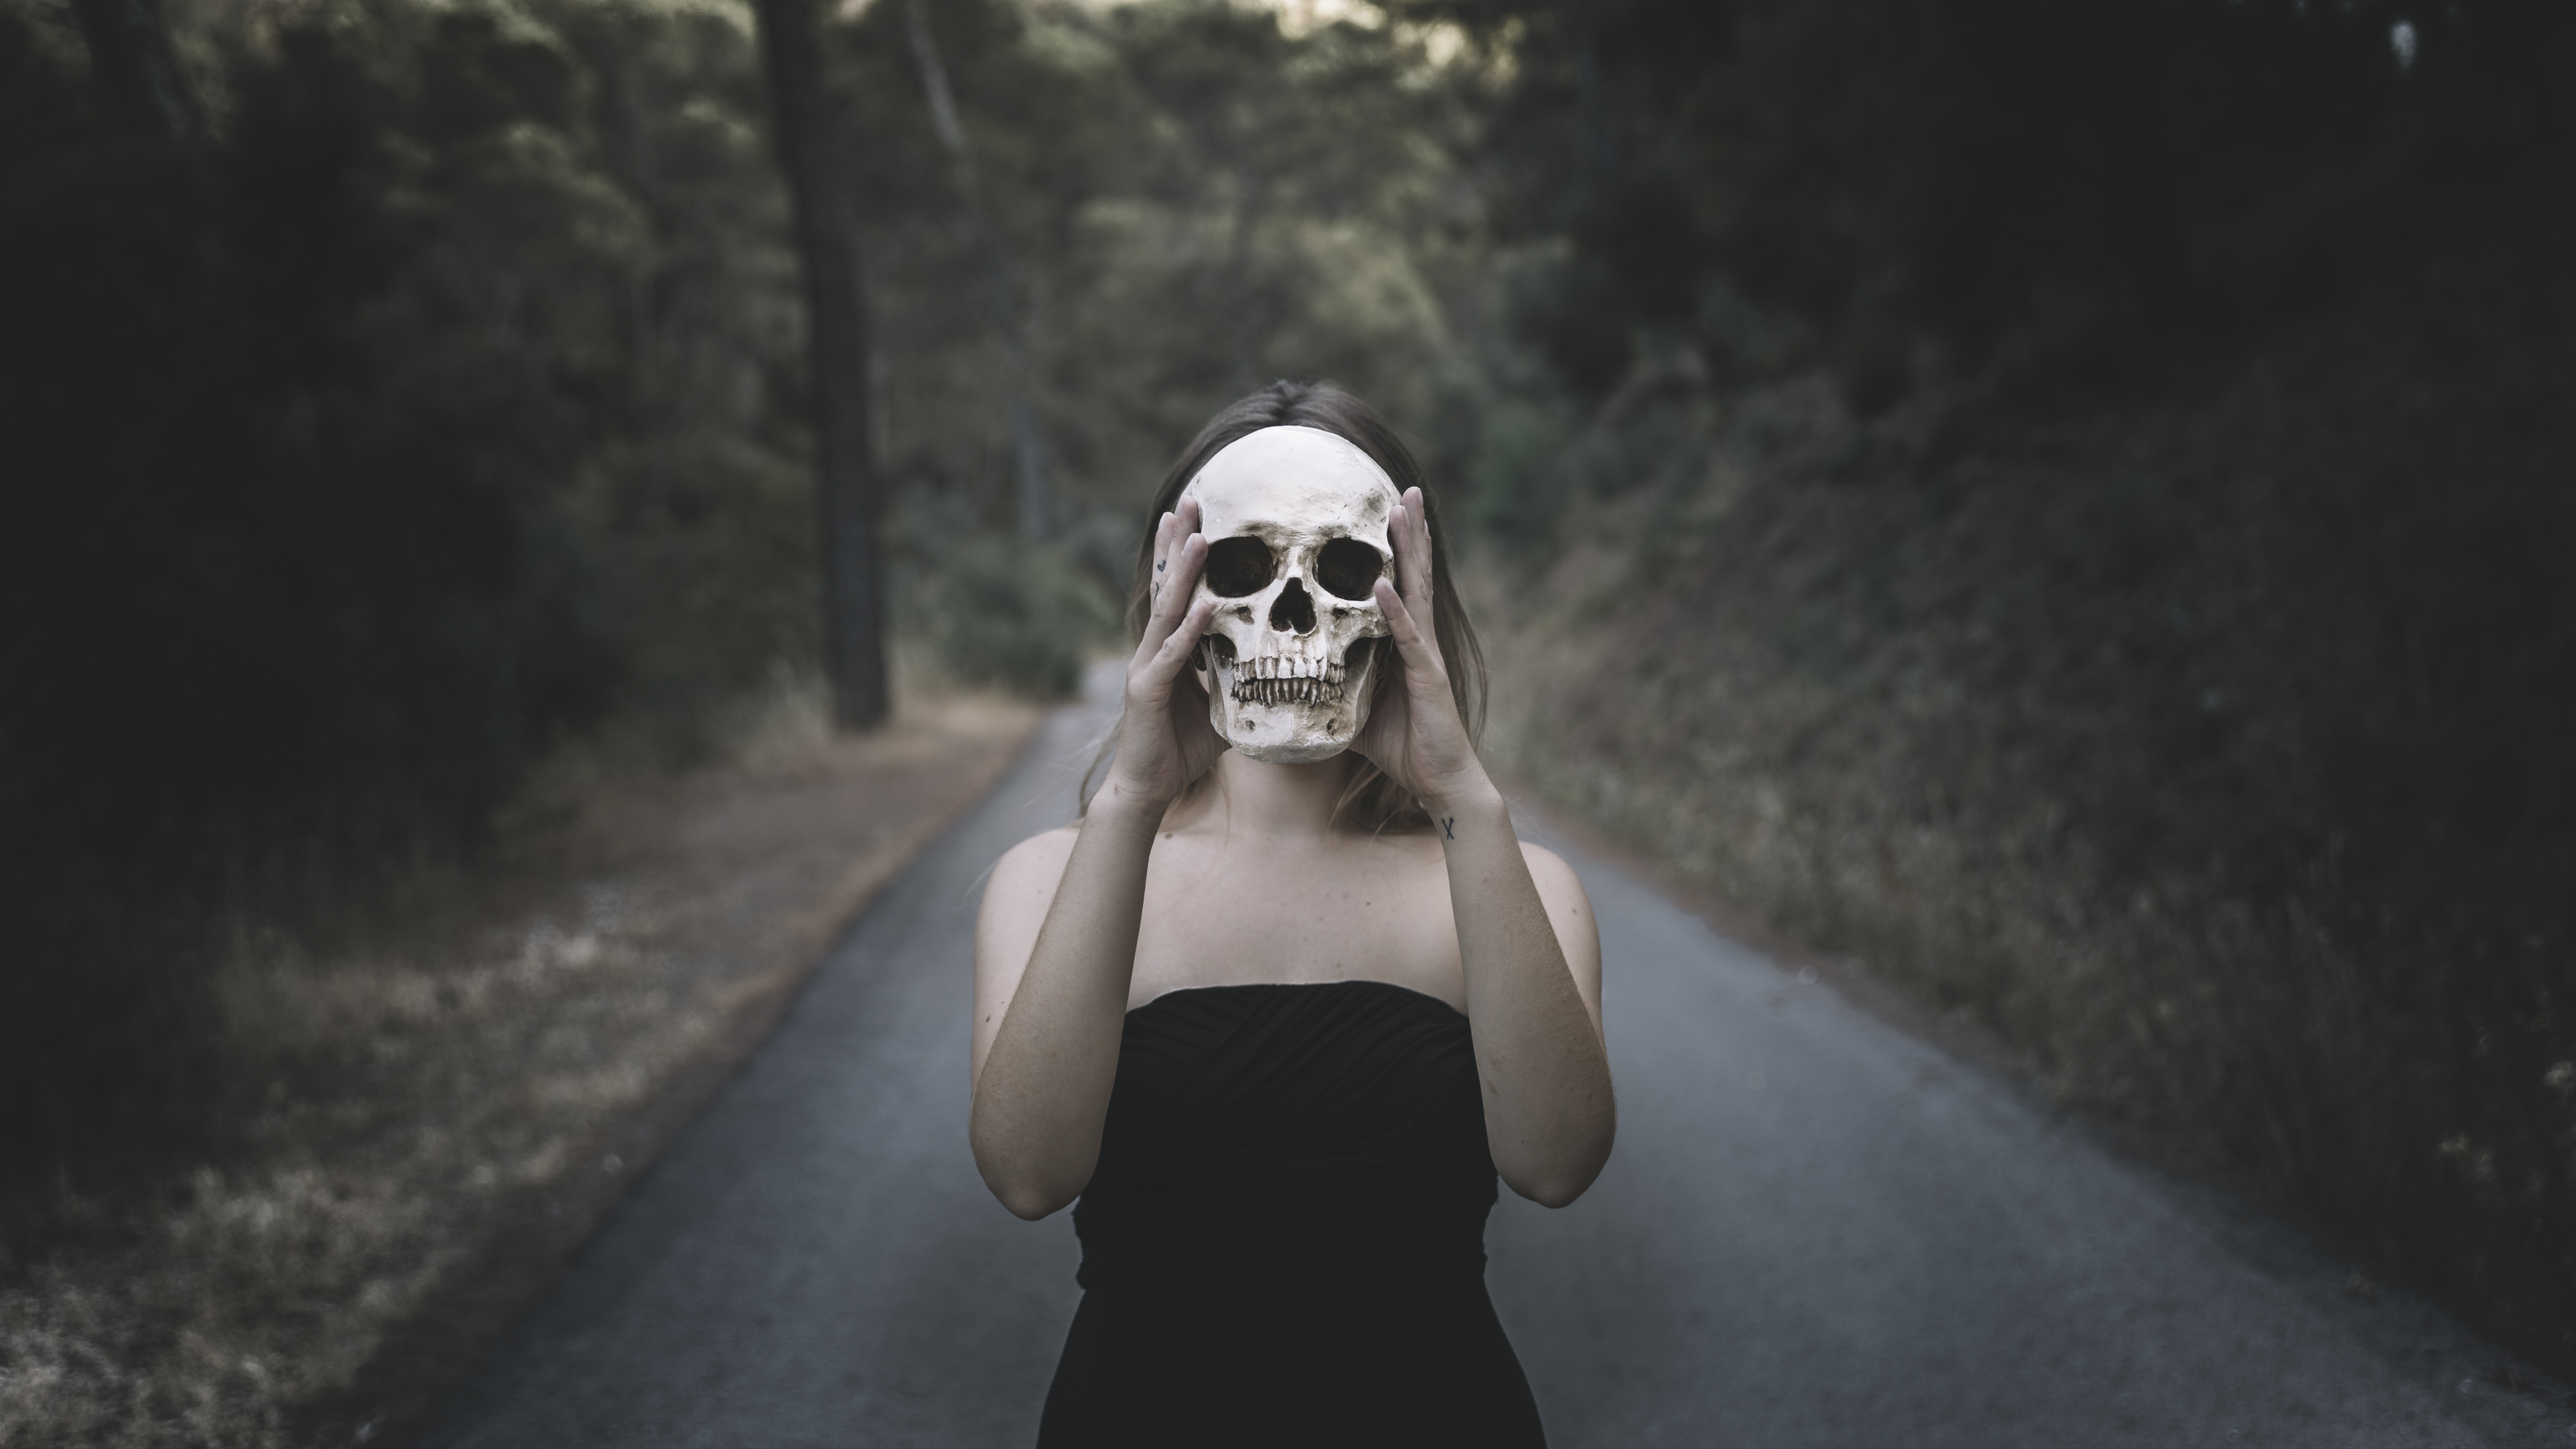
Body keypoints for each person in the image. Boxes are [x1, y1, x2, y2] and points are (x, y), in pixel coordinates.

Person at [969, 382, 1616, 1448]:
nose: (1295, 615)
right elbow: (1029, 1174)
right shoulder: (1047, 883)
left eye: (1349, 571)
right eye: (1240, 570)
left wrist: (1463, 797)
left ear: (1409, 596)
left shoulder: (1515, 884)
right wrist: (1130, 798)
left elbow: (1556, 1163)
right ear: (1177, 595)